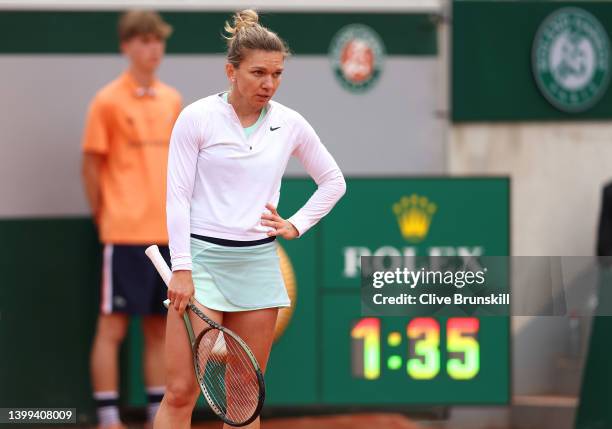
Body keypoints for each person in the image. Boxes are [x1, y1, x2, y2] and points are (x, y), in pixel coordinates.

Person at [154, 9, 346, 429]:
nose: (269, 84)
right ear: (231, 70)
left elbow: (333, 181)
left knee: (244, 397)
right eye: (258, 72)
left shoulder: (290, 123)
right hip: (200, 265)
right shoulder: (196, 118)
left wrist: (297, 223)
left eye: (277, 74)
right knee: (182, 391)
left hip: (258, 266)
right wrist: (182, 269)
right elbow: (177, 197)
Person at [81, 10, 182, 429]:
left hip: (167, 233)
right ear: (126, 46)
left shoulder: (173, 100)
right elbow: (91, 166)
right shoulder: (107, 100)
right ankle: (108, 417)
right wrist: (106, 216)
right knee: (113, 329)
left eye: (157, 41)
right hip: (123, 235)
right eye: (142, 41)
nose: (151, 49)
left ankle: (156, 416)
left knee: (161, 330)